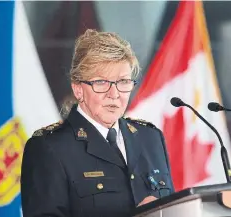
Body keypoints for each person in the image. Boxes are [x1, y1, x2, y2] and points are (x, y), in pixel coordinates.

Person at [20, 29, 174, 217]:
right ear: (78, 89)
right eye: (102, 82)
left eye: (123, 81)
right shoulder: (49, 149)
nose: (114, 94)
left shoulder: (150, 138)